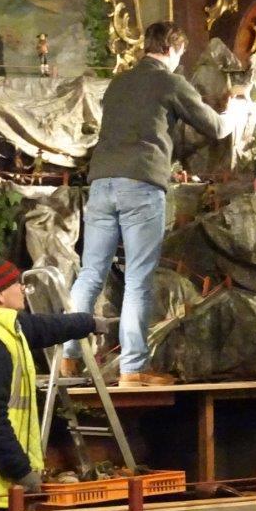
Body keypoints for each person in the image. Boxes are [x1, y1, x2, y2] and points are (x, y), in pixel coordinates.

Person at [63, 20, 242, 386]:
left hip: (101, 184)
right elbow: (216, 128)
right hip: (140, 185)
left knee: (91, 272)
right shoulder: (170, 81)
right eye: (180, 53)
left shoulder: (119, 83)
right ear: (173, 48)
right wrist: (237, 111)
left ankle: (68, 357)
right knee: (138, 278)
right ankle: (133, 369)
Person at [0, 252, 112, 511]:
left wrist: (88, 322)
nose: (23, 288)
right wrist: (22, 472)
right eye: (16, 283)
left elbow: (41, 327)